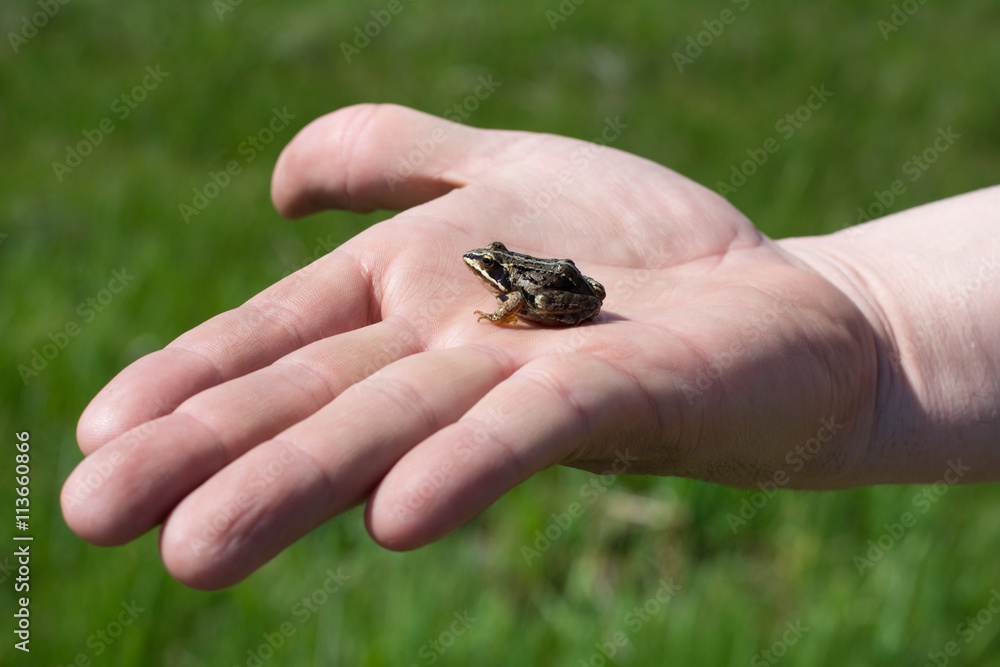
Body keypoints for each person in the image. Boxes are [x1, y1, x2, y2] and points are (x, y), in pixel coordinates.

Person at [60, 104, 1000, 590]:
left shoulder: (508, 286)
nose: (479, 271)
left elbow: (536, 297)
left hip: (570, 293)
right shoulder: (498, 268)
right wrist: (883, 319)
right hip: (578, 286)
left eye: (485, 271)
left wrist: (880, 329)